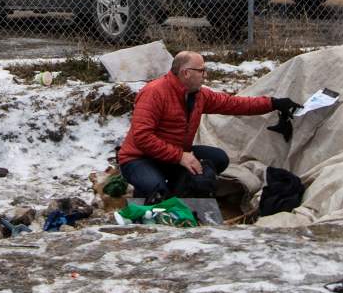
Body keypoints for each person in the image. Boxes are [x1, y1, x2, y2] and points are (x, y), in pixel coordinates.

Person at [117, 51, 300, 200]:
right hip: (139, 158)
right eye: (201, 70)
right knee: (157, 192)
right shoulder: (154, 93)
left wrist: (274, 103)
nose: (205, 75)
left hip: (171, 157)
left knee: (219, 158)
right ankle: (154, 188)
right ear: (186, 73)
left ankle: (176, 185)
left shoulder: (198, 95)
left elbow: (234, 104)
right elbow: (142, 137)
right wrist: (180, 156)